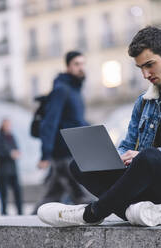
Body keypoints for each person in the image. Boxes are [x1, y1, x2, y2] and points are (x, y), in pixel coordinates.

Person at [37, 26, 161, 227]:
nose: (145, 74)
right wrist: (116, 157)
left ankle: (91, 213)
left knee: (149, 156)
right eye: (140, 68)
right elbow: (128, 145)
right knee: (81, 165)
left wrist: (155, 155)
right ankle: (140, 211)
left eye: (149, 65)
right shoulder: (144, 102)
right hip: (151, 191)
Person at [32, 51, 90, 214]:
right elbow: (49, 122)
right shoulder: (61, 90)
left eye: (83, 64)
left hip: (74, 151)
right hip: (64, 153)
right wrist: (45, 154)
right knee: (82, 196)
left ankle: (29, 220)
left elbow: (77, 121)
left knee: (52, 196)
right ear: (68, 66)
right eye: (77, 64)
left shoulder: (75, 90)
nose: (81, 68)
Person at [0, 118, 22, 215]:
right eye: (7, 125)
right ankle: (4, 212)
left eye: (10, 125)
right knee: (3, 194)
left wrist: (17, 153)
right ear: (2, 126)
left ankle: (20, 212)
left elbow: (17, 149)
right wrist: (10, 154)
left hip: (13, 170)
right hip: (3, 171)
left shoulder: (12, 137)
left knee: (18, 192)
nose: (9, 127)